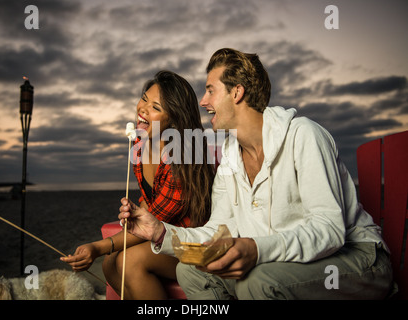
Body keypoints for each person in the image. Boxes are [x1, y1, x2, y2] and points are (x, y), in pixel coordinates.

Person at [118, 48, 396, 299]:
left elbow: (330, 230)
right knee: (191, 272)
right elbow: (219, 231)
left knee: (259, 281)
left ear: (236, 93)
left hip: (359, 259)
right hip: (287, 261)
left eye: (210, 90)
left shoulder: (304, 136)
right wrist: (160, 233)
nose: (203, 101)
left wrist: (257, 250)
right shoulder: (230, 153)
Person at [62, 70, 216, 299]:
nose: (143, 109)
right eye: (144, 98)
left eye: (156, 107)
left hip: (196, 247)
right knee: (110, 263)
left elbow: (157, 221)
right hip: (163, 237)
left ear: (173, 118)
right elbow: (152, 199)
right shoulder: (139, 143)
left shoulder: (182, 159)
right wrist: (138, 209)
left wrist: (96, 247)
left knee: (129, 261)